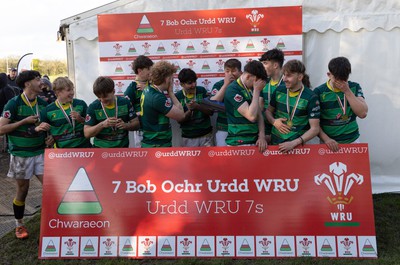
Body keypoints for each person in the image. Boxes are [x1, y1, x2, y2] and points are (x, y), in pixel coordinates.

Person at [0, 70, 51, 239]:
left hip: (40, 153)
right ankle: (19, 225)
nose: (41, 82)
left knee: (51, 187)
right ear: (27, 84)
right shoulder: (13, 104)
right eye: (37, 79)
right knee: (23, 189)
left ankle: (53, 220)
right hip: (21, 155)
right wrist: (23, 121)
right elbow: (1, 129)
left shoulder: (43, 103)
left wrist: (49, 136)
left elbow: (48, 126)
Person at [314, 57, 368, 151]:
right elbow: (314, 122)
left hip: (352, 141)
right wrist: (326, 139)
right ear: (329, 75)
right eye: (337, 79)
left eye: (344, 79)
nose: (341, 83)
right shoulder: (319, 92)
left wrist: (347, 91)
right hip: (329, 143)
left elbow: (363, 113)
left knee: (355, 166)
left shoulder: (354, 86)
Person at [266, 59, 320, 153]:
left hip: (298, 149)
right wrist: (274, 121)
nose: (284, 79)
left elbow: (315, 129)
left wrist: (293, 143)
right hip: (276, 145)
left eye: (289, 76)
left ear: (300, 77)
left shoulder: (311, 97)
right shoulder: (279, 90)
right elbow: (268, 111)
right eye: (284, 75)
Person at [224, 60, 267, 152]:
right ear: (248, 76)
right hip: (238, 143)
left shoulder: (251, 88)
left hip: (255, 141)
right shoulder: (233, 89)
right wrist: (256, 91)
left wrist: (262, 136)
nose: (257, 85)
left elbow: (259, 114)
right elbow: (251, 116)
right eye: (255, 82)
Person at [84, 76, 139, 148]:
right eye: (99, 98)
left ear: (113, 91)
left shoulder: (125, 102)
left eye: (106, 98)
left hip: (122, 150)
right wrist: (102, 124)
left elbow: (136, 124)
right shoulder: (93, 107)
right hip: (100, 150)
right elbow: (87, 133)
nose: (102, 100)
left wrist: (126, 125)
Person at [140, 60, 185, 147]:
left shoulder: (148, 89)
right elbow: (181, 116)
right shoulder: (157, 97)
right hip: (157, 145)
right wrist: (171, 93)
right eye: (172, 78)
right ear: (167, 79)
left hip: (152, 143)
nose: (173, 81)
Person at [41, 77, 91, 148]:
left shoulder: (81, 104)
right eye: (68, 90)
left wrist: (81, 119)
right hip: (63, 153)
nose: (72, 92)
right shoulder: (48, 110)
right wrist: (49, 138)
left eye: (72, 89)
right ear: (58, 92)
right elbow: (44, 132)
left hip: (83, 149)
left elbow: (91, 124)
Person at [175, 68, 213, 147]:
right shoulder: (178, 96)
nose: (194, 85)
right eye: (190, 83)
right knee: (191, 160)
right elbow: (179, 120)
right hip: (189, 137)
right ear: (182, 84)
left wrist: (198, 107)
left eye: (194, 81)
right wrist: (190, 111)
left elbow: (211, 112)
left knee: (208, 159)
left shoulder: (201, 91)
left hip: (206, 135)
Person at [210, 59, 242, 146]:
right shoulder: (219, 85)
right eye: (227, 71)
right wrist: (225, 85)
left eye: (234, 71)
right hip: (223, 128)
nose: (230, 74)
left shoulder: (245, 85)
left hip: (241, 128)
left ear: (240, 72)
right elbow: (213, 104)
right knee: (223, 157)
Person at [124, 55, 154, 147]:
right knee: (143, 153)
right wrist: (136, 114)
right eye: (149, 69)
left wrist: (148, 89)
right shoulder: (131, 88)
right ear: (140, 71)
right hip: (141, 128)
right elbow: (126, 110)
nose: (151, 72)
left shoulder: (153, 84)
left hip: (154, 126)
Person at [259, 48, 285, 144]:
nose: (263, 67)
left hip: (283, 130)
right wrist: (262, 134)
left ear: (275, 65)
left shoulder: (287, 83)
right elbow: (259, 109)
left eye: (265, 63)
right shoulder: (263, 83)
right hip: (266, 130)